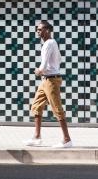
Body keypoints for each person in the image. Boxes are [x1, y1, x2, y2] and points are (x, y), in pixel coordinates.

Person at [24, 20, 73, 148]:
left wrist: (38, 71)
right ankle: (37, 137)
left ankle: (67, 139)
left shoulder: (48, 44)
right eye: (37, 29)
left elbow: (44, 65)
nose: (37, 31)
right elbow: (59, 59)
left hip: (51, 80)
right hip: (46, 80)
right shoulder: (52, 43)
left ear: (47, 30)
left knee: (57, 109)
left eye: (40, 29)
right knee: (37, 106)